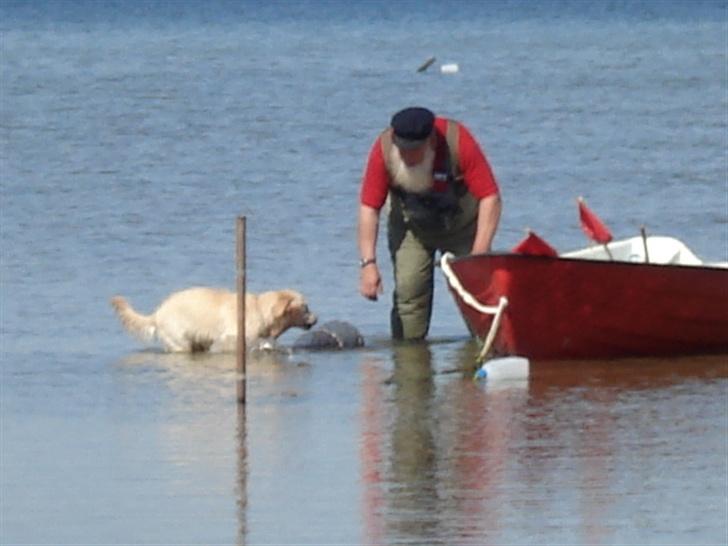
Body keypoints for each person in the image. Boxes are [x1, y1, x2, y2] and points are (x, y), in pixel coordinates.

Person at [357, 106, 501, 340]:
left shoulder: (458, 140)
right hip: (411, 229)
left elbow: (490, 197)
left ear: (431, 141)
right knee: (409, 294)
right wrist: (368, 264)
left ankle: (484, 353)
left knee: (476, 293)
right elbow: (369, 207)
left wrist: (479, 252)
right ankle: (409, 365)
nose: (407, 156)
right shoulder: (383, 150)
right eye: (402, 149)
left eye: (414, 150)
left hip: (462, 228)